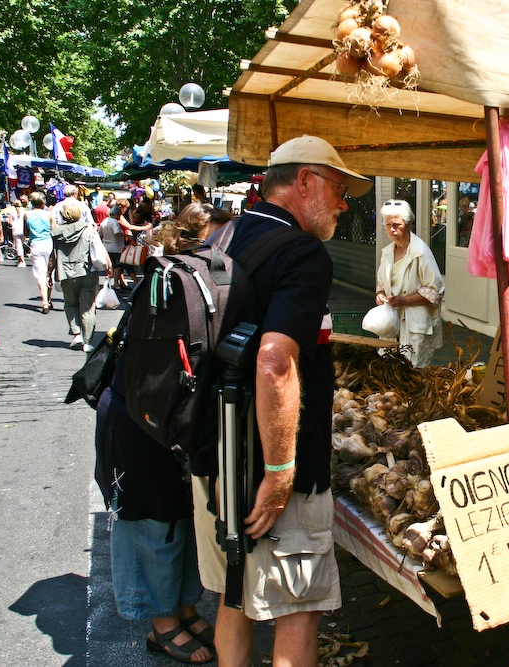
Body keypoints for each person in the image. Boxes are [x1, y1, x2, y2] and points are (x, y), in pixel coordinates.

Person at [190, 135, 371, 667]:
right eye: (339, 189)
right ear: (305, 181)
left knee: (233, 593)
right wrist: (280, 472)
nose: (344, 204)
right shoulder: (302, 251)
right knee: (299, 609)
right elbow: (274, 361)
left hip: (215, 448)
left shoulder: (224, 234)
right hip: (269, 458)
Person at [94, 203, 232, 665]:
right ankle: (161, 623)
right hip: (141, 418)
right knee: (150, 520)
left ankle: (185, 607)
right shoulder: (168, 280)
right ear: (202, 237)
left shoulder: (194, 277)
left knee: (181, 515)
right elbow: (154, 367)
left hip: (168, 418)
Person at [375, 199, 445, 367]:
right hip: (392, 323)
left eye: (397, 225)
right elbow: (381, 285)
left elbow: (435, 291)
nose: (392, 229)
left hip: (415, 324)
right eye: (388, 225)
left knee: (413, 375)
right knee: (389, 371)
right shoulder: (388, 253)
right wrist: (380, 296)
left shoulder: (420, 251)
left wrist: (403, 300)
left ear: (409, 223)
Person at [51, 198, 111, 352]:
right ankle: (88, 341)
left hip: (65, 273)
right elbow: (99, 248)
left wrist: (48, 273)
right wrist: (109, 266)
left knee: (70, 304)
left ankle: (76, 334)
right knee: (88, 307)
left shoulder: (56, 233)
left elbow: (53, 257)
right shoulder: (89, 229)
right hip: (87, 271)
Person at [25, 192, 55, 313]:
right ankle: (49, 298)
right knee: (49, 272)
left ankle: (44, 303)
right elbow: (54, 231)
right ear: (43, 203)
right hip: (48, 243)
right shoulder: (48, 214)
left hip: (35, 245)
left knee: (40, 275)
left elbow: (26, 232)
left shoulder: (27, 215)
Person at [8, 199, 26, 267]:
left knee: (18, 245)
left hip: (15, 229)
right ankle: (20, 259)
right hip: (23, 229)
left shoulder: (12, 212)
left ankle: (22, 261)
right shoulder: (24, 211)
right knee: (22, 244)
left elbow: (10, 222)